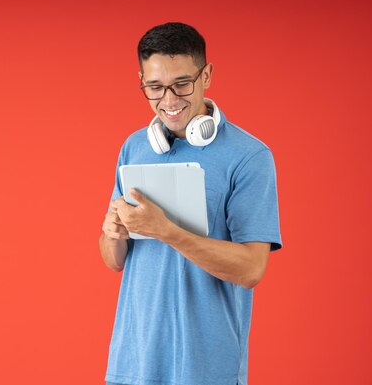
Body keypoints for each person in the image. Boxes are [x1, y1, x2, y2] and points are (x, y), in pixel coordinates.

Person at [99, 22, 282, 385]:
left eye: (181, 84)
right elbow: (113, 261)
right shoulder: (134, 147)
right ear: (142, 81)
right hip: (133, 363)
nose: (168, 101)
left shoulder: (249, 156)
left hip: (206, 367)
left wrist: (167, 231)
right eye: (154, 87)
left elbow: (251, 270)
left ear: (207, 75)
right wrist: (114, 234)